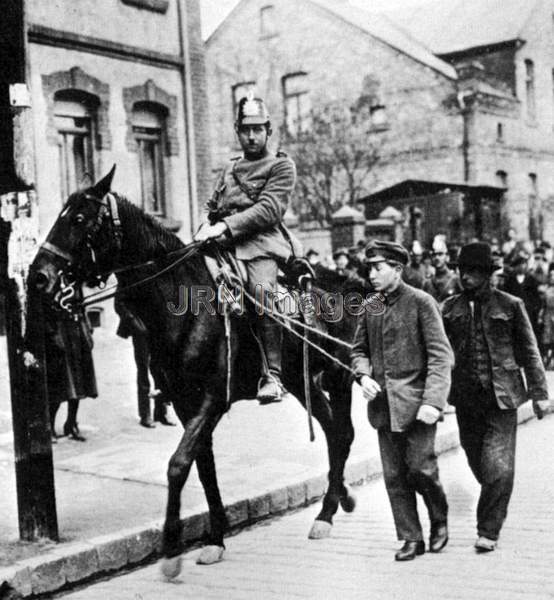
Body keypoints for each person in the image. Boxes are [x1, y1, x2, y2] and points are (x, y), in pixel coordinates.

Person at [442, 242, 549, 553]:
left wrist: (541, 395)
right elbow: (437, 353)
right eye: (462, 271)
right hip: (465, 400)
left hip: (502, 398)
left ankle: (488, 528)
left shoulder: (511, 305)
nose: (466, 277)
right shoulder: (448, 308)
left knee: (499, 467)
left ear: (488, 274)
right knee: (479, 463)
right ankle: (494, 500)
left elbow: (530, 351)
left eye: (473, 272)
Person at [351, 240, 453, 561]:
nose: (372, 274)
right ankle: (411, 537)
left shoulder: (422, 302)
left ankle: (439, 519)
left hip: (418, 407)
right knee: (394, 476)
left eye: (378, 267)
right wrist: (363, 376)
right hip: (384, 408)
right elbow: (359, 351)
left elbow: (440, 356)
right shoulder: (371, 307)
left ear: (397, 269)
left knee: (422, 470)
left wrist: (433, 402)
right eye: (369, 268)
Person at [194, 93, 296, 403]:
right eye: (245, 130)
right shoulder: (229, 167)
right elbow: (214, 206)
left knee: (262, 292)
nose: (251, 136)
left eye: (257, 129)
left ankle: (273, 374)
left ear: (268, 131)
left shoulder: (281, 165)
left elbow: (269, 209)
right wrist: (206, 226)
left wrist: (226, 226)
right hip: (222, 242)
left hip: (261, 243)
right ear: (238, 131)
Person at [115, 295, 176, 428]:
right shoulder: (131, 276)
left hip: (157, 327)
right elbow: (119, 302)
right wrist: (134, 322)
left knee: (160, 368)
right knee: (143, 370)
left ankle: (161, 412)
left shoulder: (152, 274)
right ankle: (145, 414)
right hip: (141, 329)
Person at [44, 287, 97, 442]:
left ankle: (71, 423)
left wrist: (87, 328)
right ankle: (50, 426)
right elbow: (45, 308)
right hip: (60, 333)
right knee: (61, 382)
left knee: (79, 382)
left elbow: (81, 305)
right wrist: (53, 335)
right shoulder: (52, 274)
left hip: (76, 330)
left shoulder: (74, 276)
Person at [503, 254, 542, 340]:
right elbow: (505, 296)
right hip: (513, 312)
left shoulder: (531, 280)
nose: (522, 267)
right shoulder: (510, 280)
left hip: (528, 311)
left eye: (524, 264)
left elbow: (536, 297)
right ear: (516, 267)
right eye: (520, 264)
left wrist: (533, 308)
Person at [423, 237, 461, 303]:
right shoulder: (428, 283)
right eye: (434, 255)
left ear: (447, 257)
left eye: (440, 254)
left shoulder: (455, 280)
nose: (437, 258)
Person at [539, 265, 554, 368]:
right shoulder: (546, 290)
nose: (553, 277)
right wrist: (540, 316)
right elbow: (543, 305)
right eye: (551, 275)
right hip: (548, 314)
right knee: (546, 338)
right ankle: (546, 359)